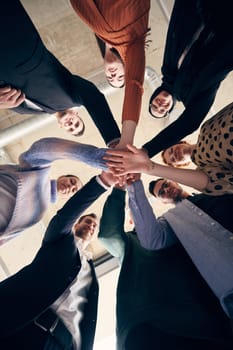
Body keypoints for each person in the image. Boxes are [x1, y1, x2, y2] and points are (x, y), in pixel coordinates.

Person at [98, 177, 233, 349]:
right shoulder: (130, 242)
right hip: (154, 325)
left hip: (205, 320)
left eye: (166, 186)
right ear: (132, 220)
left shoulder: (181, 228)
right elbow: (108, 235)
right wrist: (119, 191)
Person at [0, 172, 116, 350]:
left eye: (94, 226)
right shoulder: (60, 240)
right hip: (20, 326)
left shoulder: (90, 272)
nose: (91, 226)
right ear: (76, 224)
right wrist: (102, 183)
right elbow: (64, 217)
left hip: (60, 344)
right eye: (87, 221)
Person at [0, 0, 120, 145]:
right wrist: (114, 141)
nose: (71, 125)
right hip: (14, 35)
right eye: (77, 124)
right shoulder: (71, 96)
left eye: (70, 129)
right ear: (76, 113)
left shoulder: (27, 111)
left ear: (61, 127)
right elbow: (92, 96)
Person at [142, 0, 233, 157]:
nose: (160, 106)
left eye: (154, 106)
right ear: (171, 107)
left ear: (154, 95)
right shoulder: (192, 98)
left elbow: (176, 27)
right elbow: (189, 124)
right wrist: (147, 151)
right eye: (163, 111)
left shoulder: (168, 67)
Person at [105, 101, 233, 195]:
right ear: (180, 166)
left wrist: (147, 150)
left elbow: (188, 121)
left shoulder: (203, 129)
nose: (174, 154)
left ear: (179, 142)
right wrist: (150, 167)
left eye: (171, 150)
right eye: (172, 159)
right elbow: (213, 183)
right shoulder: (203, 168)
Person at [70, 0, 150, 148]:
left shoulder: (101, 34)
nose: (114, 75)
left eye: (110, 78)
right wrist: (126, 139)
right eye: (120, 76)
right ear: (127, 67)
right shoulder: (133, 43)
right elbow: (134, 86)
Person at [0, 136, 108, 245]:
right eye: (72, 181)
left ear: (68, 198)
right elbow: (44, 147)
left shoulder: (37, 215)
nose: (70, 187)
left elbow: (5, 237)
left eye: (74, 190)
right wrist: (101, 159)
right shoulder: (37, 172)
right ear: (62, 177)